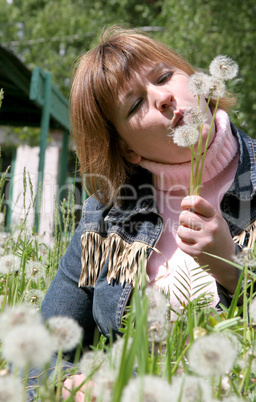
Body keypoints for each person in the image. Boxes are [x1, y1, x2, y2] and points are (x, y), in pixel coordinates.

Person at [26, 26, 256, 401]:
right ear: (126, 148)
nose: (164, 98)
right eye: (135, 105)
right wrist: (80, 387)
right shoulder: (104, 222)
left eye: (165, 76)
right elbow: (38, 358)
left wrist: (230, 269)